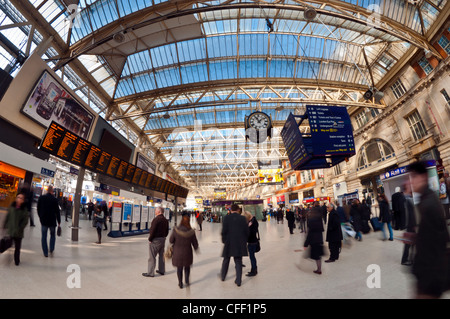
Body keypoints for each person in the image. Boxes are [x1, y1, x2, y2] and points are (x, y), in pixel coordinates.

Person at [408, 161, 449, 299]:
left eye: (414, 177)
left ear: (424, 177)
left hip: (430, 277)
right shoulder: (426, 199)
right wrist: (415, 237)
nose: (411, 181)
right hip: (428, 275)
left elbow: (437, 244)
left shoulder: (428, 204)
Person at [220, 204, 249, 287]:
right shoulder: (243, 218)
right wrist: (244, 240)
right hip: (239, 243)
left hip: (229, 242)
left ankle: (223, 276)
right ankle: (238, 280)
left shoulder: (226, 218)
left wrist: (224, 240)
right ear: (238, 210)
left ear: (231, 209)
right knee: (238, 261)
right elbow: (246, 231)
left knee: (226, 260)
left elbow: (224, 231)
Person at [169, 213, 199, 288]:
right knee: (187, 267)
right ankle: (187, 281)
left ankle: (180, 283)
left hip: (177, 252)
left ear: (181, 221)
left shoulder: (176, 229)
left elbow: (171, 240)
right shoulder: (191, 231)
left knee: (179, 268)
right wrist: (196, 249)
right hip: (187, 252)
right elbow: (195, 243)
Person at [143, 207, 169, 278]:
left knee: (152, 256)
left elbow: (153, 230)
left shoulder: (156, 219)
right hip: (163, 239)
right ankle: (161, 270)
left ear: (159, 211)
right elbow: (167, 231)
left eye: (155, 210)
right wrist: (163, 236)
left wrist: (150, 239)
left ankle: (150, 273)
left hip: (155, 240)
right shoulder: (165, 220)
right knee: (161, 255)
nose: (155, 212)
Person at [4, 193, 29, 265]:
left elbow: (25, 221)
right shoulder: (12, 207)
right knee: (8, 243)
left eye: (21, 198)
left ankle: (16, 260)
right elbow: (8, 216)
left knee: (17, 248)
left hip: (19, 232)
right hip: (11, 230)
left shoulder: (24, 210)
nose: (19, 199)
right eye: (18, 197)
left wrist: (20, 227)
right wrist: (5, 225)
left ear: (23, 201)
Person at [37, 186, 61, 257]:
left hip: (44, 220)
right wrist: (59, 221)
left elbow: (38, 208)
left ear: (47, 190)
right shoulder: (54, 199)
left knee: (44, 236)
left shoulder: (41, 198)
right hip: (52, 221)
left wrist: (40, 217)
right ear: (52, 191)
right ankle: (51, 248)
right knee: (52, 235)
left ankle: (45, 252)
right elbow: (57, 211)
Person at [304, 202, 324, 274]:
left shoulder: (311, 221)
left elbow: (310, 233)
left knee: (316, 256)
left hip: (314, 241)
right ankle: (319, 268)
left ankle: (319, 270)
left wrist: (306, 244)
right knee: (318, 256)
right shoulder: (319, 220)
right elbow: (322, 229)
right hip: (319, 239)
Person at [401, 180, 417, 266]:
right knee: (409, 243)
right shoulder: (405, 198)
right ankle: (405, 259)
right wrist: (413, 224)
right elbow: (409, 213)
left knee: (411, 242)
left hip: (411, 224)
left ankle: (411, 258)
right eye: (409, 186)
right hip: (410, 224)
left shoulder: (408, 197)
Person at [245, 212, 259, 277]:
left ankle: (254, 270)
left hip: (252, 242)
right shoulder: (252, 221)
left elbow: (252, 233)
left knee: (252, 257)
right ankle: (253, 269)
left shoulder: (253, 223)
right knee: (252, 257)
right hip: (252, 241)